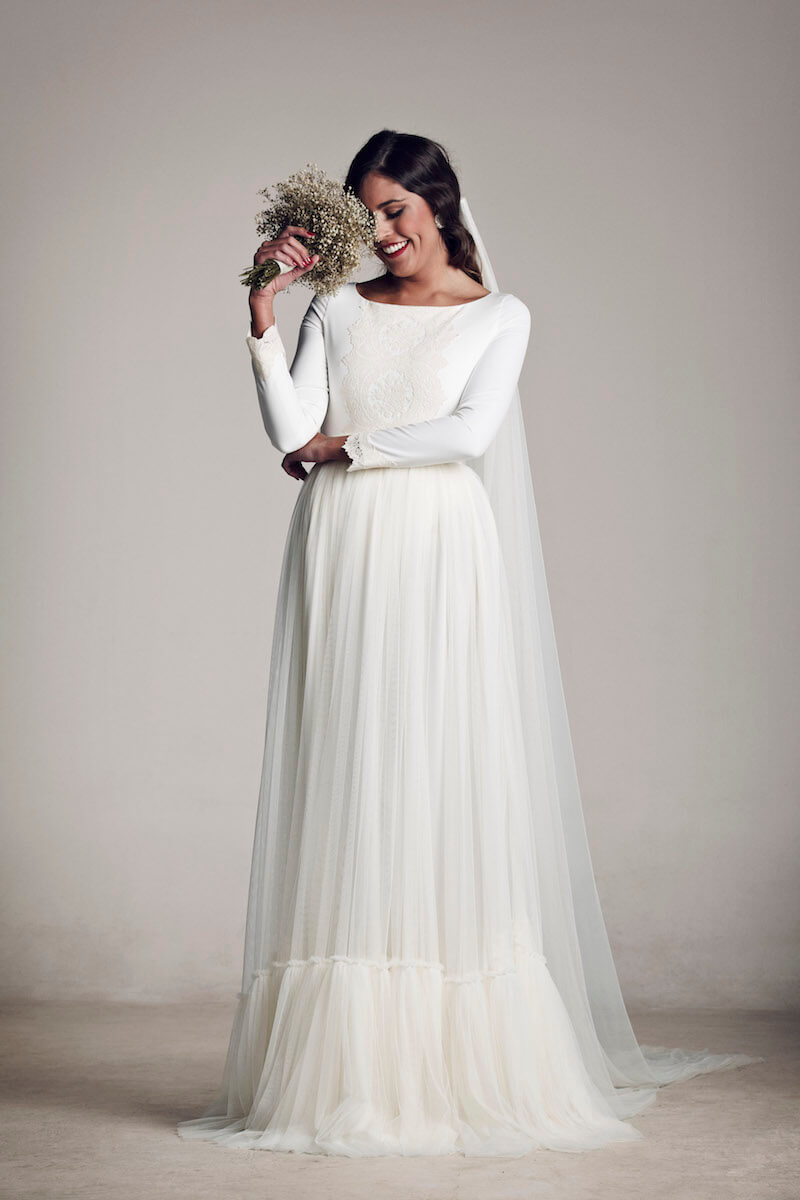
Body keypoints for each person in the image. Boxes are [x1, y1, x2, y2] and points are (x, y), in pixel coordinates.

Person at [176, 130, 757, 1158]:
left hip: (439, 545)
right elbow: (288, 432)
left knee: (434, 769)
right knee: (348, 769)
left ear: (439, 204)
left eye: (396, 210)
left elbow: (468, 431)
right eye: (366, 214)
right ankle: (347, 1065)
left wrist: (349, 445)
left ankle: (449, 1057)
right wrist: (262, 312)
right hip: (342, 542)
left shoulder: (499, 314)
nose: (382, 232)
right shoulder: (335, 306)